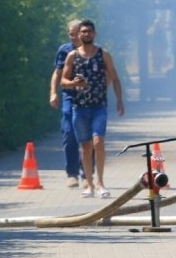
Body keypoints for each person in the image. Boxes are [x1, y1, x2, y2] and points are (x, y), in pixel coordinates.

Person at [61, 19, 125, 198]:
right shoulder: (72, 56)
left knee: (99, 142)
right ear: (79, 35)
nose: (86, 34)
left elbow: (115, 77)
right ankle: (89, 184)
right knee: (86, 146)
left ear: (94, 34)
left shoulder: (103, 54)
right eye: (83, 32)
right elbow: (63, 80)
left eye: (89, 31)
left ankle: (101, 183)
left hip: (99, 106)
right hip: (79, 107)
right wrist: (73, 83)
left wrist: (119, 100)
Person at [49, 19, 83, 188]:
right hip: (69, 96)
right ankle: (72, 173)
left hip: (87, 98)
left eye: (77, 33)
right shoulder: (64, 50)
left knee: (87, 136)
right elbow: (57, 73)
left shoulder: (93, 51)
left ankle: (87, 174)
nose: (74, 37)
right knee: (69, 134)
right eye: (71, 34)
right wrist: (53, 93)